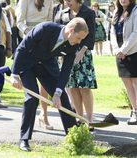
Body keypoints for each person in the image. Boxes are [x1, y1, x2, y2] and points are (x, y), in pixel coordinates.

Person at [11, 17, 88, 152]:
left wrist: (57, 93)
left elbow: (66, 70)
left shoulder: (73, 45)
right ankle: (24, 139)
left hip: (47, 67)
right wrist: (15, 74)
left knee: (63, 98)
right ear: (70, 30)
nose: (79, 42)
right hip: (27, 64)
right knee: (32, 98)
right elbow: (22, 47)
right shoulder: (45, 28)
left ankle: (73, 137)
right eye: (79, 38)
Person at [16, 0, 54, 130]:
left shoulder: (49, 1)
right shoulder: (24, 1)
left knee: (47, 83)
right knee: (31, 93)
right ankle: (27, 125)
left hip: (44, 44)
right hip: (28, 43)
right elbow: (20, 22)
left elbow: (50, 21)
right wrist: (30, 35)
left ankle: (44, 115)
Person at [59, 0, 97, 128]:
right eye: (66, 0)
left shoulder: (88, 12)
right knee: (73, 87)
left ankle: (90, 120)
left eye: (70, 0)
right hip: (67, 55)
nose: (67, 2)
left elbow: (91, 35)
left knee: (84, 88)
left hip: (83, 54)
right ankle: (80, 119)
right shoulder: (63, 13)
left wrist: (82, 51)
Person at [111, 0, 137, 125]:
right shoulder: (117, 12)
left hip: (133, 51)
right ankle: (134, 110)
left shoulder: (135, 10)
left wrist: (123, 50)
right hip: (120, 54)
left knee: (135, 82)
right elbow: (112, 33)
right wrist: (117, 50)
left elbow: (136, 33)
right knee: (127, 82)